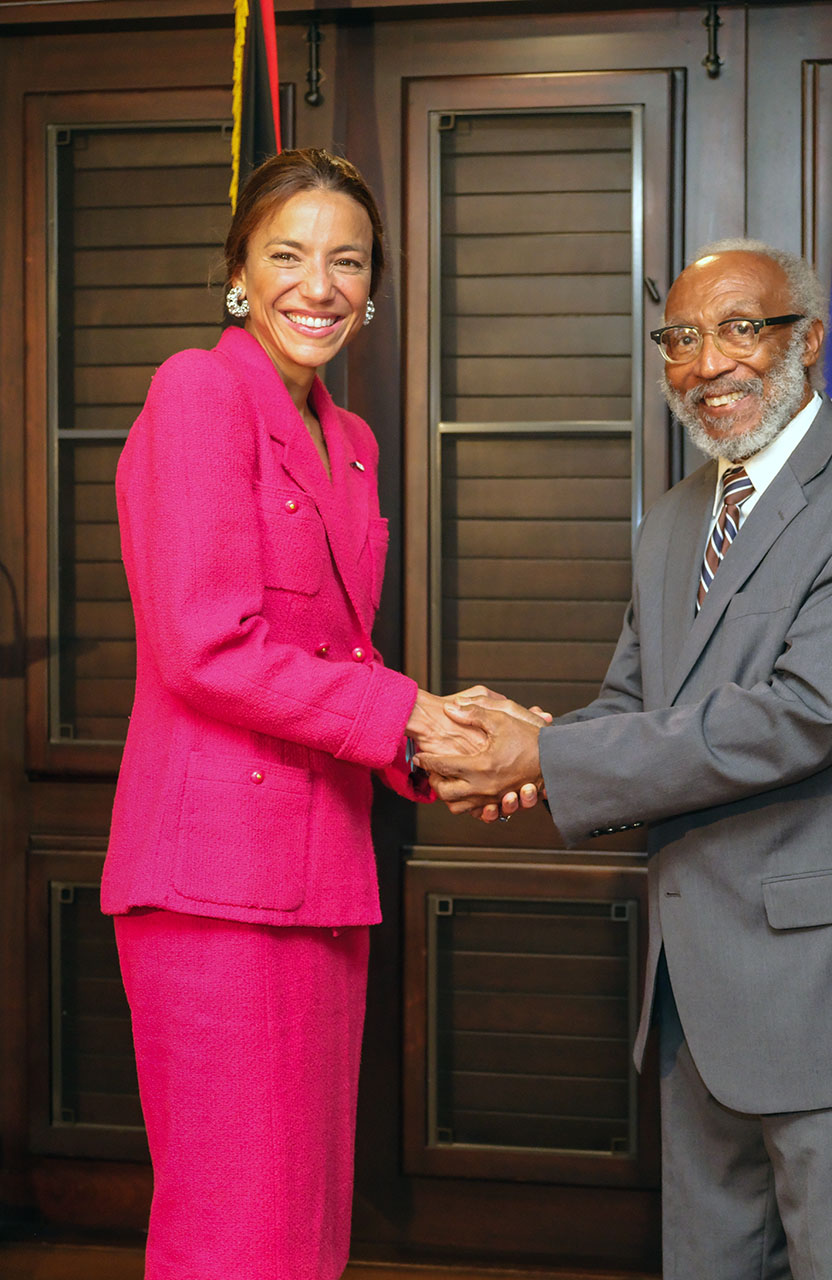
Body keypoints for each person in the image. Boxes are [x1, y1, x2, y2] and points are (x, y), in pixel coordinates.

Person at [416, 239, 832, 1280]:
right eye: (679, 338)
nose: (707, 362)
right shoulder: (679, 517)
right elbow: (636, 708)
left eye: (739, 329)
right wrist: (523, 756)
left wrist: (542, 753)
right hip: (698, 999)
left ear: (809, 340)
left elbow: (800, 717)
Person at [101, 148, 516, 1280]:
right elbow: (206, 646)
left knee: (303, 1231)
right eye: (287, 255)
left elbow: (334, 660)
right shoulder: (198, 389)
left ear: (374, 284)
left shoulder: (353, 440)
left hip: (323, 872)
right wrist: (412, 714)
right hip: (216, 884)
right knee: (236, 1235)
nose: (319, 286)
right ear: (238, 271)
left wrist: (438, 747)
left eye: (349, 260)